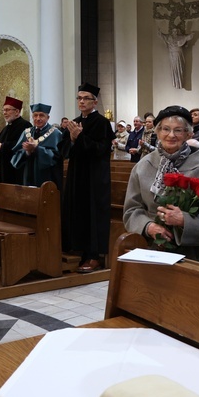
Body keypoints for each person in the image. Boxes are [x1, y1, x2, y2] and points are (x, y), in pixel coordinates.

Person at [124, 105, 199, 262]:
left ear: (188, 134)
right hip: (149, 250)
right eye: (165, 129)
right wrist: (148, 226)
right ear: (157, 132)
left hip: (190, 255)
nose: (171, 135)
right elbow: (132, 210)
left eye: (178, 130)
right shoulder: (142, 166)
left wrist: (185, 221)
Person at [61, 83, 114, 273]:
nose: (82, 101)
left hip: (94, 177)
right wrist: (73, 139)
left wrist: (80, 138)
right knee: (77, 210)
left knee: (93, 213)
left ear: (95, 101)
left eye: (86, 98)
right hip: (77, 175)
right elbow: (64, 150)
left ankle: (94, 255)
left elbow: (100, 150)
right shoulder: (74, 122)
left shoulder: (102, 123)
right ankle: (77, 248)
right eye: (79, 98)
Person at [11, 103, 64, 190]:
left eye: (41, 115)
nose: (38, 118)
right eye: (35, 115)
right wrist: (27, 152)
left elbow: (57, 156)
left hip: (48, 177)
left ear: (48, 117)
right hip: (28, 175)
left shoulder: (55, 133)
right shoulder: (26, 132)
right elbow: (16, 154)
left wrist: (37, 149)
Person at [0, 96, 32, 184]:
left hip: (18, 169)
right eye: (3, 110)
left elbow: (22, 145)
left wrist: (2, 146)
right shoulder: (6, 128)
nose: (4, 113)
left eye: (7, 110)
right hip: (4, 168)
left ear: (17, 111)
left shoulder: (25, 125)